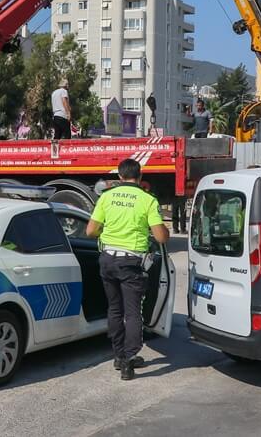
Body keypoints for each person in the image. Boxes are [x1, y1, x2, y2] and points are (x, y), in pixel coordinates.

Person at [86, 158, 169, 380]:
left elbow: (90, 231)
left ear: (120, 177)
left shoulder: (106, 197)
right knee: (133, 312)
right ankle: (129, 360)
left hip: (107, 260)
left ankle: (118, 355)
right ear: (140, 177)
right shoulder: (147, 200)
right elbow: (161, 236)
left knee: (114, 309)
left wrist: (108, 232)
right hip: (131, 263)